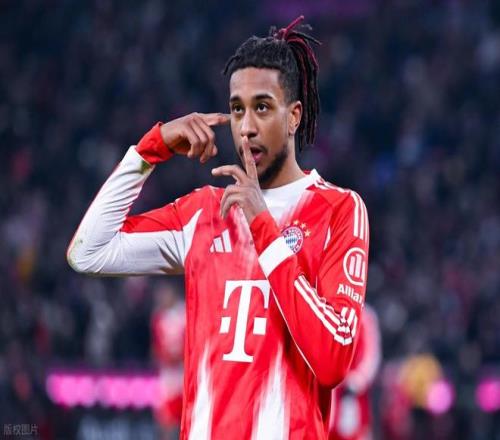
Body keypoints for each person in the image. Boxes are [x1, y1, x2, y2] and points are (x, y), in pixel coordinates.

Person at [67, 16, 370, 439]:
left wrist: (263, 226)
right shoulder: (205, 212)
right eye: (237, 109)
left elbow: (334, 360)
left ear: (294, 116)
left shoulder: (338, 209)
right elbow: (88, 252)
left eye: (262, 107)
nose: (246, 127)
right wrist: (151, 149)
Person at [329, 304, 381, 440]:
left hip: (350, 396)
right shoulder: (327, 308)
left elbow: (371, 356)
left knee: (352, 432)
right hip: (328, 393)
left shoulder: (365, 316)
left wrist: (355, 381)